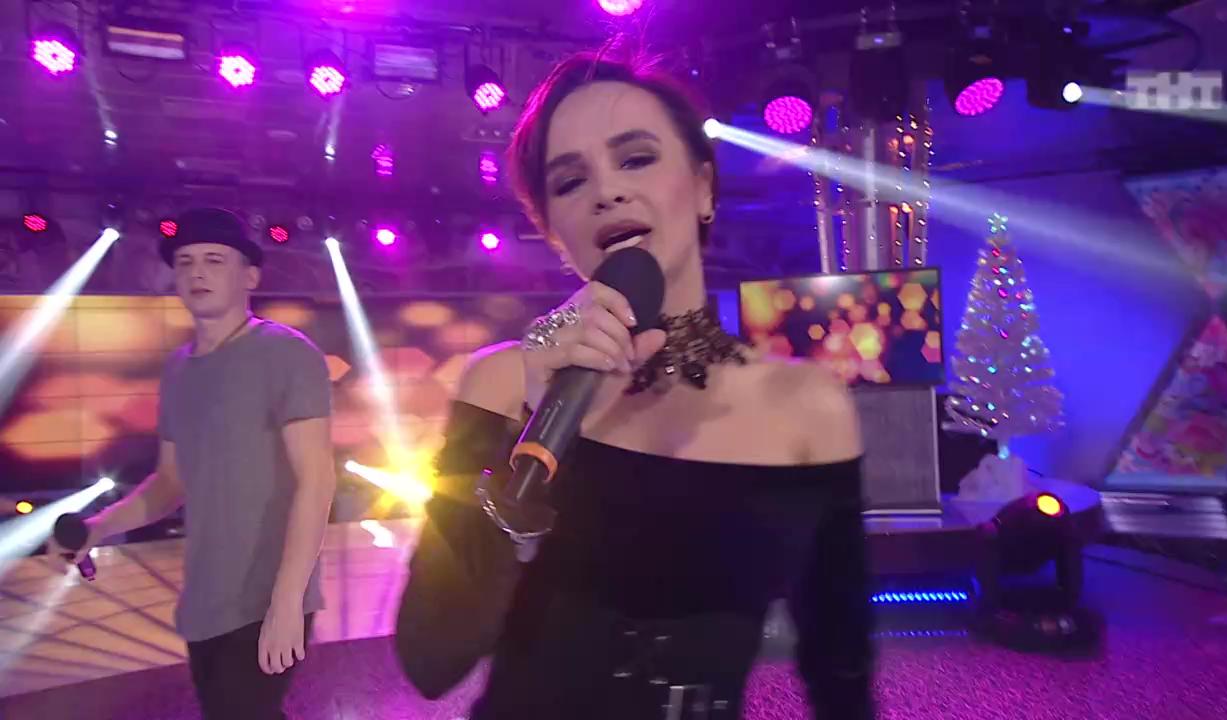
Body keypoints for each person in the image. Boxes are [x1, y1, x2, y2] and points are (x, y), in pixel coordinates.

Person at [400, 45, 873, 718]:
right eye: (570, 181)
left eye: (636, 158)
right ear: (554, 233)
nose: (607, 192)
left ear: (703, 187)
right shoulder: (503, 382)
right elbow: (430, 657)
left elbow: (840, 663)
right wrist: (536, 426)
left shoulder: (807, 407)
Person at [48, 208, 336, 718]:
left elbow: (317, 481)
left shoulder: (287, 354)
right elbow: (169, 483)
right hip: (205, 597)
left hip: (266, 593)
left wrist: (288, 600)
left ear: (250, 276)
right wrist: (98, 527)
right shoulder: (179, 369)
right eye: (185, 262)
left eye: (214, 260)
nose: (197, 272)